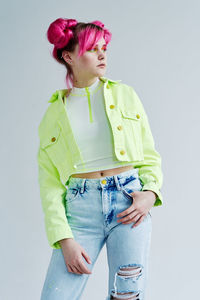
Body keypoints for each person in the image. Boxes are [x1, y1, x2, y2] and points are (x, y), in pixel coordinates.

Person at [37, 18, 163, 300]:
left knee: (126, 296)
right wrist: (64, 239)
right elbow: (49, 185)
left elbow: (149, 153)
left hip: (128, 204)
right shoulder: (53, 115)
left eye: (104, 47)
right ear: (68, 56)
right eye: (93, 48)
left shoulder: (125, 95)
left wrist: (151, 192)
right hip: (79, 213)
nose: (102, 54)